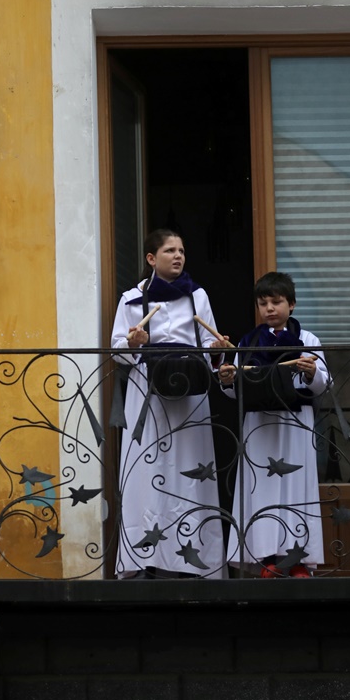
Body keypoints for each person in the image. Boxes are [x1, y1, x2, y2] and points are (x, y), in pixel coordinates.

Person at [111, 229, 232, 579]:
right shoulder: (131, 299)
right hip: (148, 394)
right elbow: (117, 352)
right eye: (169, 251)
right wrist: (133, 343)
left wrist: (217, 348)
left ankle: (195, 562)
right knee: (146, 472)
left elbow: (212, 345)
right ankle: (144, 560)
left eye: (181, 250)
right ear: (152, 258)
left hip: (189, 394)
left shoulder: (198, 296)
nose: (178, 256)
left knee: (192, 471)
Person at [217, 272, 329, 578]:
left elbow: (323, 384)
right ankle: (266, 559)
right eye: (263, 302)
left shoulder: (308, 340)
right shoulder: (247, 342)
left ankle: (297, 561)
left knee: (297, 489)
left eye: (276, 301)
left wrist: (309, 373)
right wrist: (227, 379)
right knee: (261, 490)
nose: (269, 308)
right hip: (259, 426)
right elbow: (233, 387)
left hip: (295, 423)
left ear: (291, 305)